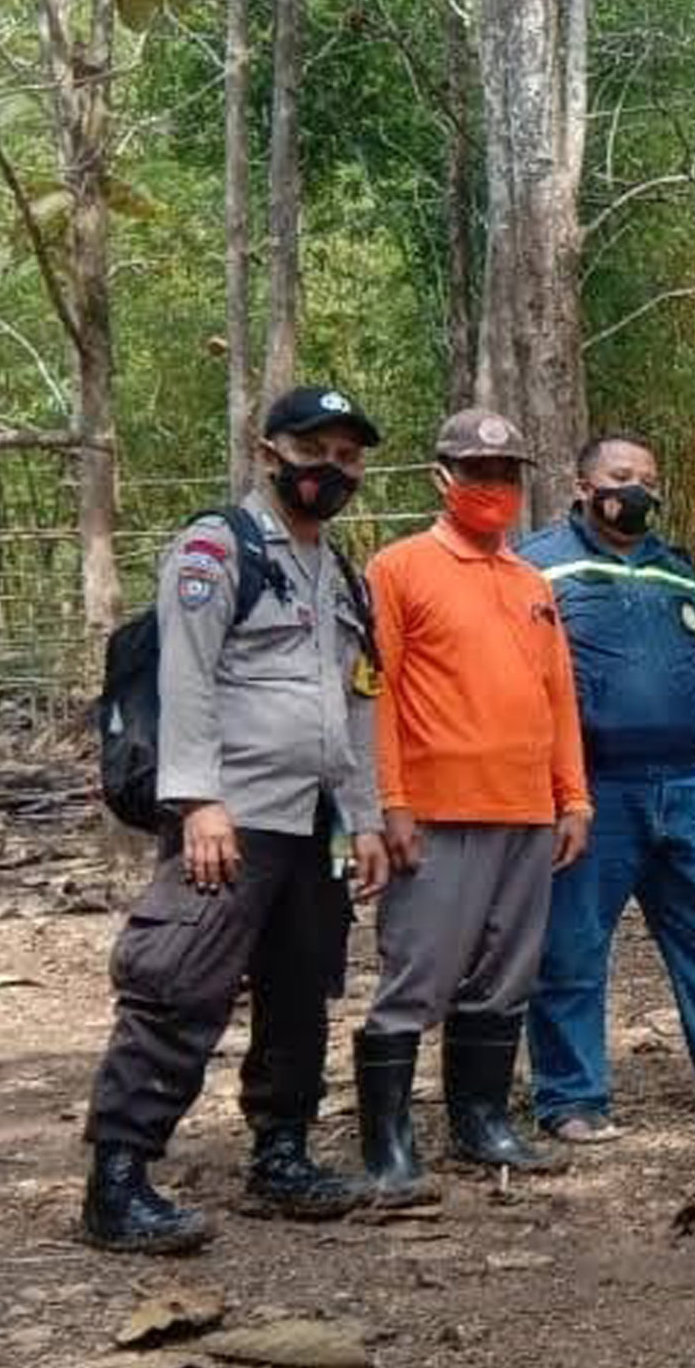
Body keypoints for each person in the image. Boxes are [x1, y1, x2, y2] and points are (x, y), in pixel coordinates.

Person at [79, 385, 389, 1252]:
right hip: (231, 813)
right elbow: (186, 674)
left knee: (301, 991)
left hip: (313, 819)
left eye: (349, 456)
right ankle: (118, 1178)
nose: (332, 469)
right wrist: (197, 799)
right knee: (177, 985)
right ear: (269, 452)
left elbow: (358, 699)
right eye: (315, 450)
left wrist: (363, 817)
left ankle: (281, 1153)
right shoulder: (218, 547)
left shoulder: (338, 573)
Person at [355, 410, 592, 1193]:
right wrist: (388, 799)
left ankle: (481, 1121)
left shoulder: (532, 583)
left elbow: (557, 696)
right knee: (419, 971)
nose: (494, 488)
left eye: (507, 474)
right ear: (442, 479)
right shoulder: (398, 568)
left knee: (505, 972)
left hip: (526, 808)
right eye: (477, 473)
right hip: (436, 808)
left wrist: (574, 797)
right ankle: (388, 1144)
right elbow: (376, 692)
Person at [516, 432, 695, 1143]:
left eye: (647, 479)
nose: (636, 490)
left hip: (689, 783)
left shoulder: (677, 568)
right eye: (620, 476)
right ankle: (572, 1097)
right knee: (572, 945)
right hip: (591, 791)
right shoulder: (537, 565)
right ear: (581, 485)